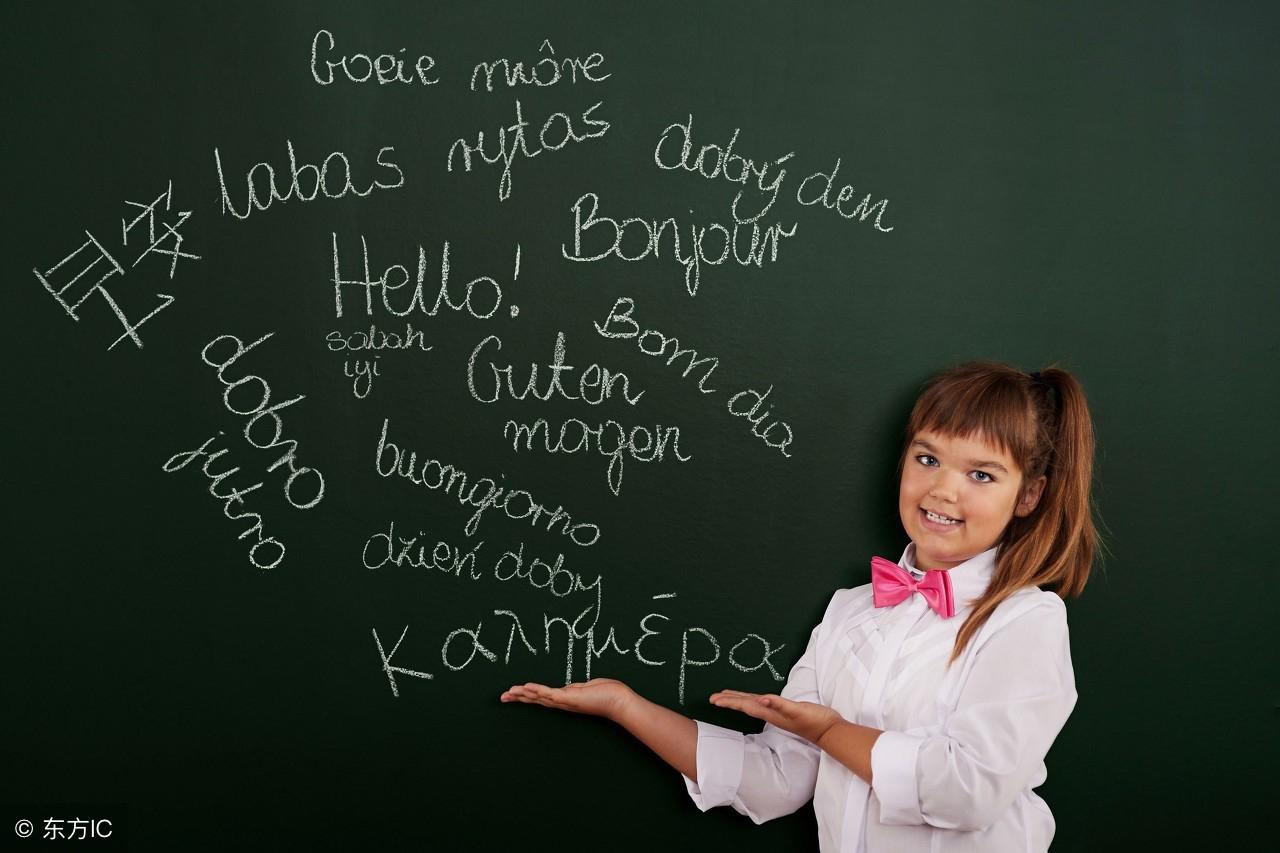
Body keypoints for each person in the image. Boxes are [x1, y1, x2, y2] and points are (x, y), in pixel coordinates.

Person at [501, 361, 1098, 852]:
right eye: (927, 458)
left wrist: (833, 731)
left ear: (1031, 494)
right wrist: (624, 706)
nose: (943, 489)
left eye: (982, 475)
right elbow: (778, 779)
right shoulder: (850, 612)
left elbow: (968, 792)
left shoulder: (1026, 623)